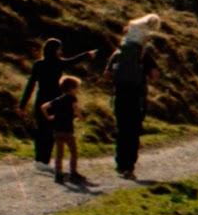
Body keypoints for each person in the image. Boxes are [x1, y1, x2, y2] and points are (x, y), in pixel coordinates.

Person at [20, 38, 102, 166]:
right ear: (56, 50)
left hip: (41, 99)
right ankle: (44, 160)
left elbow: (30, 85)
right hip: (56, 101)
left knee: (41, 129)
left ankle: (38, 159)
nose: (61, 51)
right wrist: (87, 54)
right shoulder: (59, 63)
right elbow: (73, 60)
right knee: (51, 131)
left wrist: (22, 104)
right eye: (59, 48)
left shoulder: (38, 64)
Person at [105, 13, 161, 180]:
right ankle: (129, 167)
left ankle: (120, 164)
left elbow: (107, 75)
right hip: (137, 97)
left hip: (120, 95)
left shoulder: (118, 53)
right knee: (133, 131)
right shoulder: (144, 54)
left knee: (122, 130)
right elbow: (154, 75)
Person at [40, 75, 83, 184]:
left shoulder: (58, 99)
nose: (78, 90)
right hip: (68, 130)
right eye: (77, 88)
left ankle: (58, 174)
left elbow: (44, 107)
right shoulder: (73, 98)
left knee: (59, 153)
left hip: (57, 130)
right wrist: (79, 116)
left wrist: (49, 117)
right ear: (72, 88)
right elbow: (76, 109)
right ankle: (73, 173)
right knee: (73, 152)